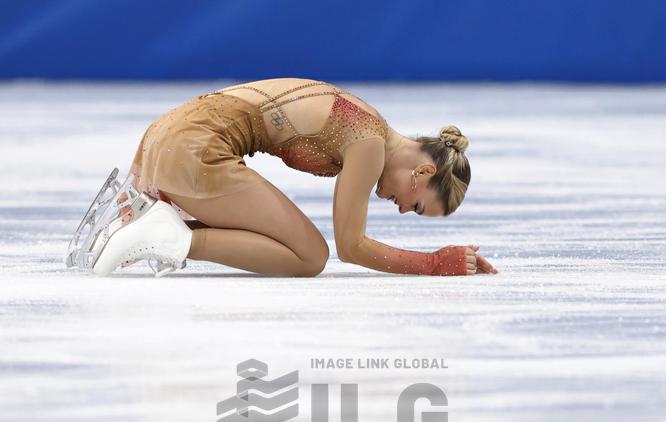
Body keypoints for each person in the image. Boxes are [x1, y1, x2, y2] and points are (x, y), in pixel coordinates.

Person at [85, 77, 498, 278]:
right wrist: (432, 264)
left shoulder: (371, 126)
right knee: (309, 257)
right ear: (423, 171)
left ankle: (158, 221)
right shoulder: (370, 143)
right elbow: (350, 248)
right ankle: (172, 236)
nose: (405, 210)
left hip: (172, 133)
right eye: (419, 204)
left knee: (296, 245)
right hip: (195, 146)